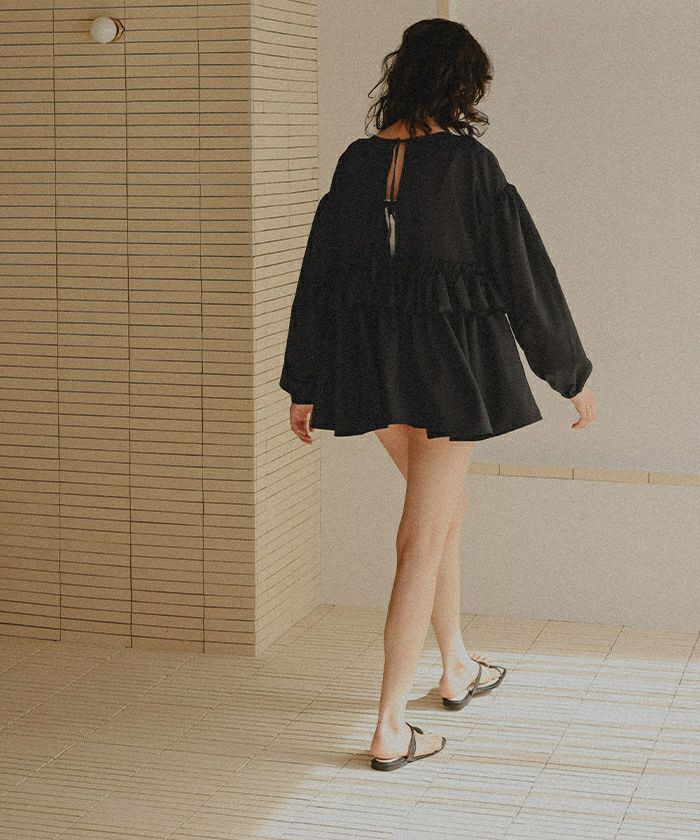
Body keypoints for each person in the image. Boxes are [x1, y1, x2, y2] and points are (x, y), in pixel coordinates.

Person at [279, 18, 596, 771]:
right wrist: (570, 373)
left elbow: (319, 277)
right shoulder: (469, 164)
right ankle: (390, 727)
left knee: (443, 515)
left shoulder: (357, 160)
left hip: (370, 366)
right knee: (420, 541)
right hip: (449, 374)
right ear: (461, 83)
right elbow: (523, 274)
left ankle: (456, 665)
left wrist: (305, 382)